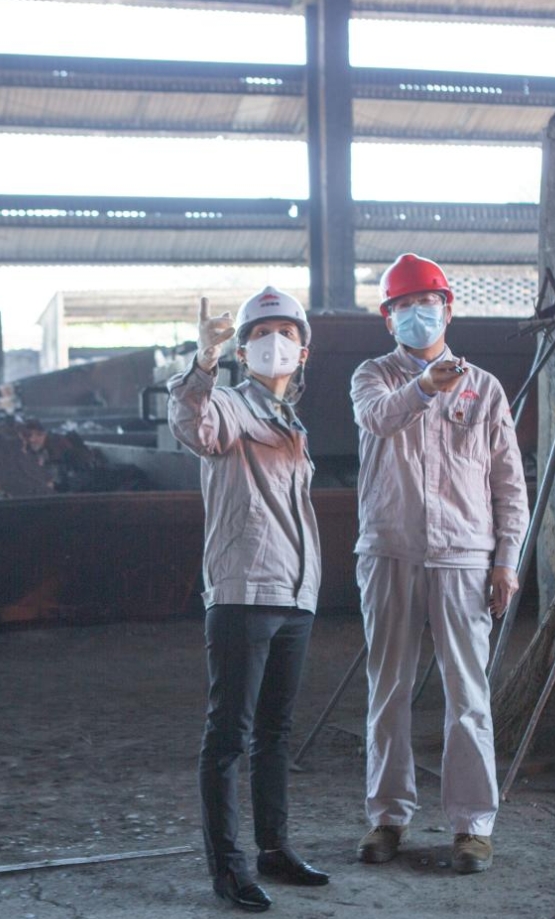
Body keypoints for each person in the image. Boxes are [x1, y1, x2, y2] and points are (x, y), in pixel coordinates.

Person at [349, 253, 530, 874]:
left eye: (426, 303)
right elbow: (378, 418)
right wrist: (425, 386)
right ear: (388, 319)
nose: (416, 314)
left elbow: (508, 482)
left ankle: (472, 827)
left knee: (468, 694)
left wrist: (506, 559)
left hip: (464, 556)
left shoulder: (484, 388)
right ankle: (386, 818)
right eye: (403, 306)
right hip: (390, 550)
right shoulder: (372, 377)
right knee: (388, 690)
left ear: (448, 310)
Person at [168, 286, 329, 912]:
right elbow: (195, 427)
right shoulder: (230, 405)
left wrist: (309, 586)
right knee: (229, 735)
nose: (273, 343)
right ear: (242, 350)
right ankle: (229, 869)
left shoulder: (293, 422)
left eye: (285, 333)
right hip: (244, 590)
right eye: (260, 334)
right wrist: (202, 363)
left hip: (295, 592)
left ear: (303, 350)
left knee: (275, 732)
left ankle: (274, 849)